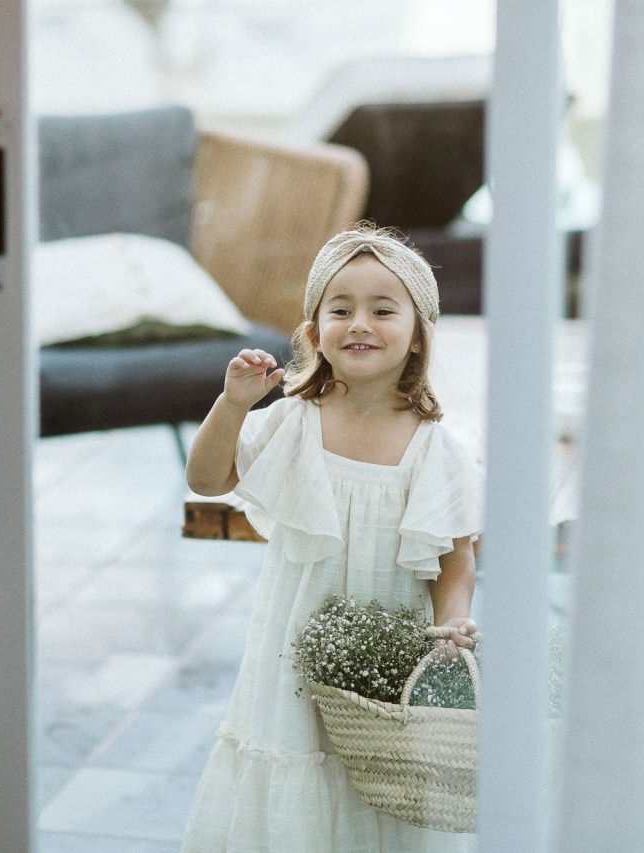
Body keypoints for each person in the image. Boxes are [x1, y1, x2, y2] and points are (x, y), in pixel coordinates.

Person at [181, 223, 483, 852]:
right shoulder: (293, 422)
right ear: (315, 333)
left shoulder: (435, 449)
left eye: (382, 309)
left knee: (378, 785)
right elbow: (207, 479)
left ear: (419, 334)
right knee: (296, 766)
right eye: (340, 309)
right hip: (293, 650)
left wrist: (452, 625)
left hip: (385, 664)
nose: (360, 323)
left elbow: (456, 563)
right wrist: (233, 404)